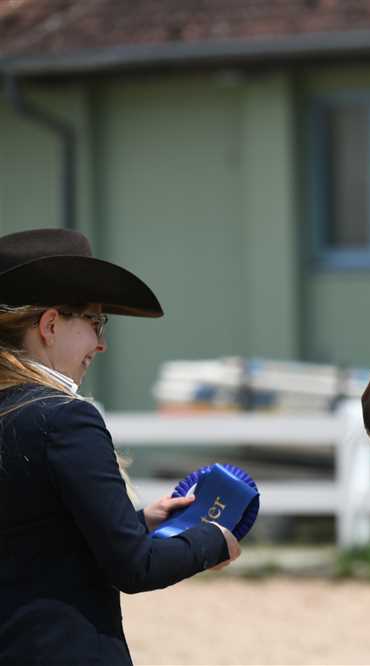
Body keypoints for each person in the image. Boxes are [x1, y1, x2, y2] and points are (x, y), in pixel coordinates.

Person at [0, 228, 240, 665]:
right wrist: (213, 539)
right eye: (94, 322)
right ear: (50, 325)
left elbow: (33, 537)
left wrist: (135, 523)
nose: (101, 343)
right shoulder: (66, 419)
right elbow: (135, 567)